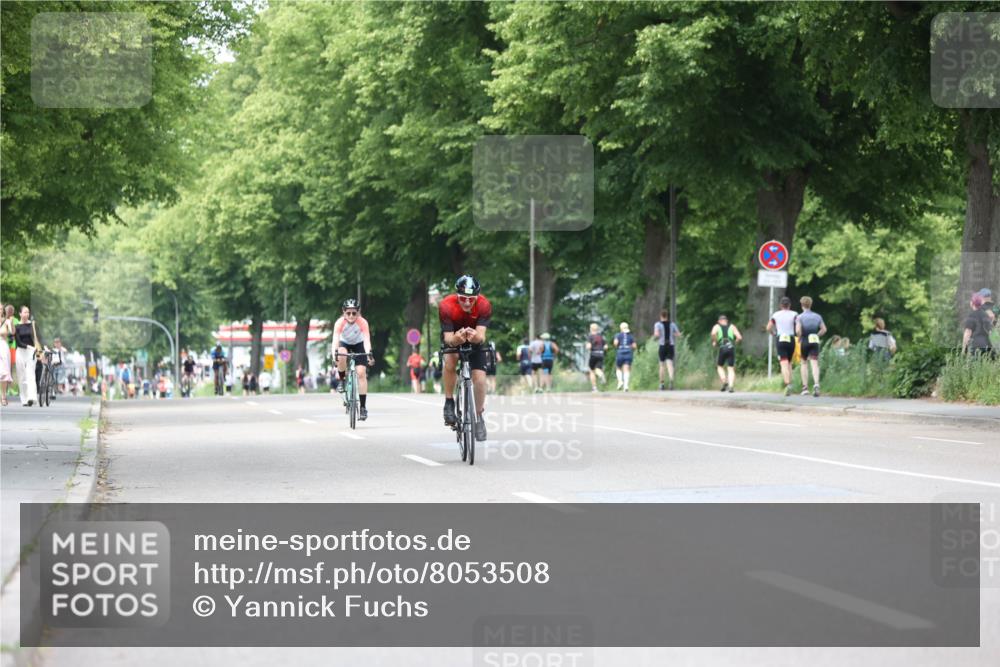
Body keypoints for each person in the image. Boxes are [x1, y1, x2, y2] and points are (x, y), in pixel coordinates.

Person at [439, 275, 492, 441]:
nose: (467, 303)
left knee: (480, 380)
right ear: (457, 296)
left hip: (474, 338)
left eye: (471, 299)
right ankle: (449, 402)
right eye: (463, 298)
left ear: (477, 297)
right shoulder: (446, 305)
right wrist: (456, 339)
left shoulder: (484, 305)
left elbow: (481, 336)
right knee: (450, 361)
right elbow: (448, 338)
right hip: (454, 336)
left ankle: (478, 415)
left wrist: (475, 337)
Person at [332, 298, 374, 421]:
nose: (351, 316)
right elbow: (335, 341)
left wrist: (369, 354)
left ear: (358, 312)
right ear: (344, 312)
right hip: (344, 343)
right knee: (341, 353)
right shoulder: (339, 323)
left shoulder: (363, 322)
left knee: (361, 373)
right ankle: (342, 380)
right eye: (348, 313)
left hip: (359, 344)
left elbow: (367, 340)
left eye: (354, 313)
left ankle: (363, 407)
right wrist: (334, 356)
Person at [766, 296, 798, 396]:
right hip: (791, 338)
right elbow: (798, 326)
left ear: (781, 305)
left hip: (780, 338)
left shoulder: (776, 315)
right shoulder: (794, 314)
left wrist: (773, 333)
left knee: (783, 363)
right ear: (789, 305)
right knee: (789, 363)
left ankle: (787, 384)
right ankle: (790, 384)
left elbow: (768, 327)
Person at [796, 296, 827, 397]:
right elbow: (824, 329)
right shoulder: (818, 316)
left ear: (802, 305)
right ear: (810, 304)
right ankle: (816, 384)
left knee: (804, 363)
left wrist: (799, 337)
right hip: (814, 340)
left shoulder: (800, 317)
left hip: (805, 340)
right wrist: (817, 335)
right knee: (814, 363)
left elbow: (798, 330)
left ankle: (805, 388)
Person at [14, 306, 42, 406]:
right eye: (25, 312)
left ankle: (31, 397)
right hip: (20, 352)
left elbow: (38, 338)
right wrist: (28, 347)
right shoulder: (16, 326)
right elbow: (18, 342)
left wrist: (40, 349)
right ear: (20, 314)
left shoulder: (32, 325)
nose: (27, 314)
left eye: (28, 312)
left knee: (30, 374)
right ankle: (24, 399)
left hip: (31, 352)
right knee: (21, 376)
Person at [710, 314, 741, 393]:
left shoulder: (717, 326)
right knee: (730, 368)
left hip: (722, 347)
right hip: (731, 348)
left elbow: (713, 334)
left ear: (719, 321)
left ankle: (724, 381)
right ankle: (731, 386)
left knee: (719, 366)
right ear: (726, 321)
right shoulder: (732, 326)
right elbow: (739, 337)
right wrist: (735, 343)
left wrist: (715, 341)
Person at [652, 310, 682, 390]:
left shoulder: (657, 324)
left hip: (662, 345)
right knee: (670, 364)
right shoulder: (672, 324)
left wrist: (655, 337)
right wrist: (673, 334)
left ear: (661, 316)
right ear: (667, 316)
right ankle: (671, 381)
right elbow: (678, 334)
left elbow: (656, 334)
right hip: (670, 345)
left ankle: (662, 384)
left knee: (662, 365)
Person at [963, 291, 994, 357]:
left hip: (975, 346)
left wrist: (964, 349)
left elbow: (967, 333)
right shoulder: (986, 315)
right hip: (987, 345)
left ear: (972, 303)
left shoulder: (972, 316)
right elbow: (990, 332)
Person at [612, 322, 637, 392]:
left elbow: (615, 343)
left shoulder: (618, 335)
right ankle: (626, 386)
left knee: (618, 367)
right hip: (628, 353)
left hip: (620, 352)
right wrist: (630, 346)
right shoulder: (630, 336)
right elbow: (634, 346)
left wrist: (618, 345)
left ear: (620, 328)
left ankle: (620, 381)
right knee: (626, 369)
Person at [585, 323, 606, 393]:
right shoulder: (601, 336)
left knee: (592, 370)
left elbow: (589, 346)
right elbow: (606, 346)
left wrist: (587, 346)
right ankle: (601, 374)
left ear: (591, 329)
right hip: (601, 354)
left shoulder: (590, 336)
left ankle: (594, 388)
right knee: (598, 369)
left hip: (594, 354)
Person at [0, 307, 12, 405]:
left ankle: (3, 396)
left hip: (3, 347)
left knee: (3, 372)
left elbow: (12, 333)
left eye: (1, 309)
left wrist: (11, 323)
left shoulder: (7, 321)